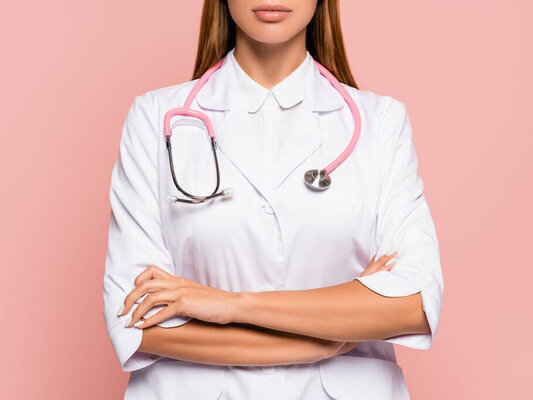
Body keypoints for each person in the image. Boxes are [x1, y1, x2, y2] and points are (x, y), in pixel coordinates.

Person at [103, 0, 444, 398]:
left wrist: (230, 305)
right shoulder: (154, 116)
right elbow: (135, 321)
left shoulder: (381, 122)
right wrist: (328, 338)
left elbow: (413, 306)